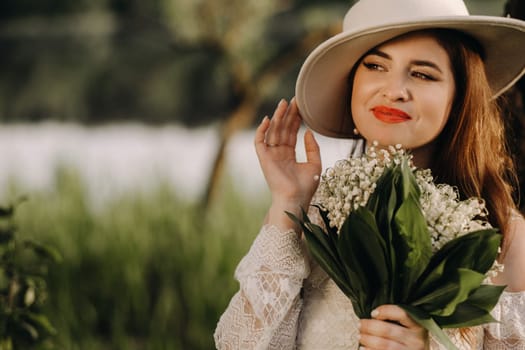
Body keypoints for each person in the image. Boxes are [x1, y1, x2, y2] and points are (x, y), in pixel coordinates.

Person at [214, 0, 525, 348]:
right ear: (352, 85)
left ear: (461, 95)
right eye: (376, 65)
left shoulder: (502, 235)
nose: (393, 90)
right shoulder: (313, 217)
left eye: (422, 73)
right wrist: (286, 202)